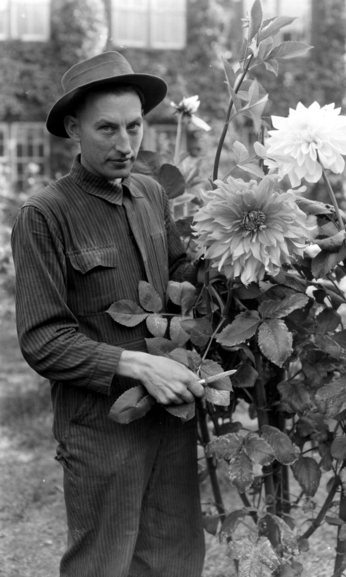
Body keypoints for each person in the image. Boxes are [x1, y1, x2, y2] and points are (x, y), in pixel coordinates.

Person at [11, 51, 205, 577]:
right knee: (103, 563)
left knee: (176, 557)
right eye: (107, 129)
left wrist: (237, 260)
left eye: (135, 126)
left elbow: (182, 278)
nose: (125, 144)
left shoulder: (151, 193)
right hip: (100, 429)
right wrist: (140, 365)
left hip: (170, 419)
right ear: (74, 128)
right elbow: (43, 339)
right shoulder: (44, 216)